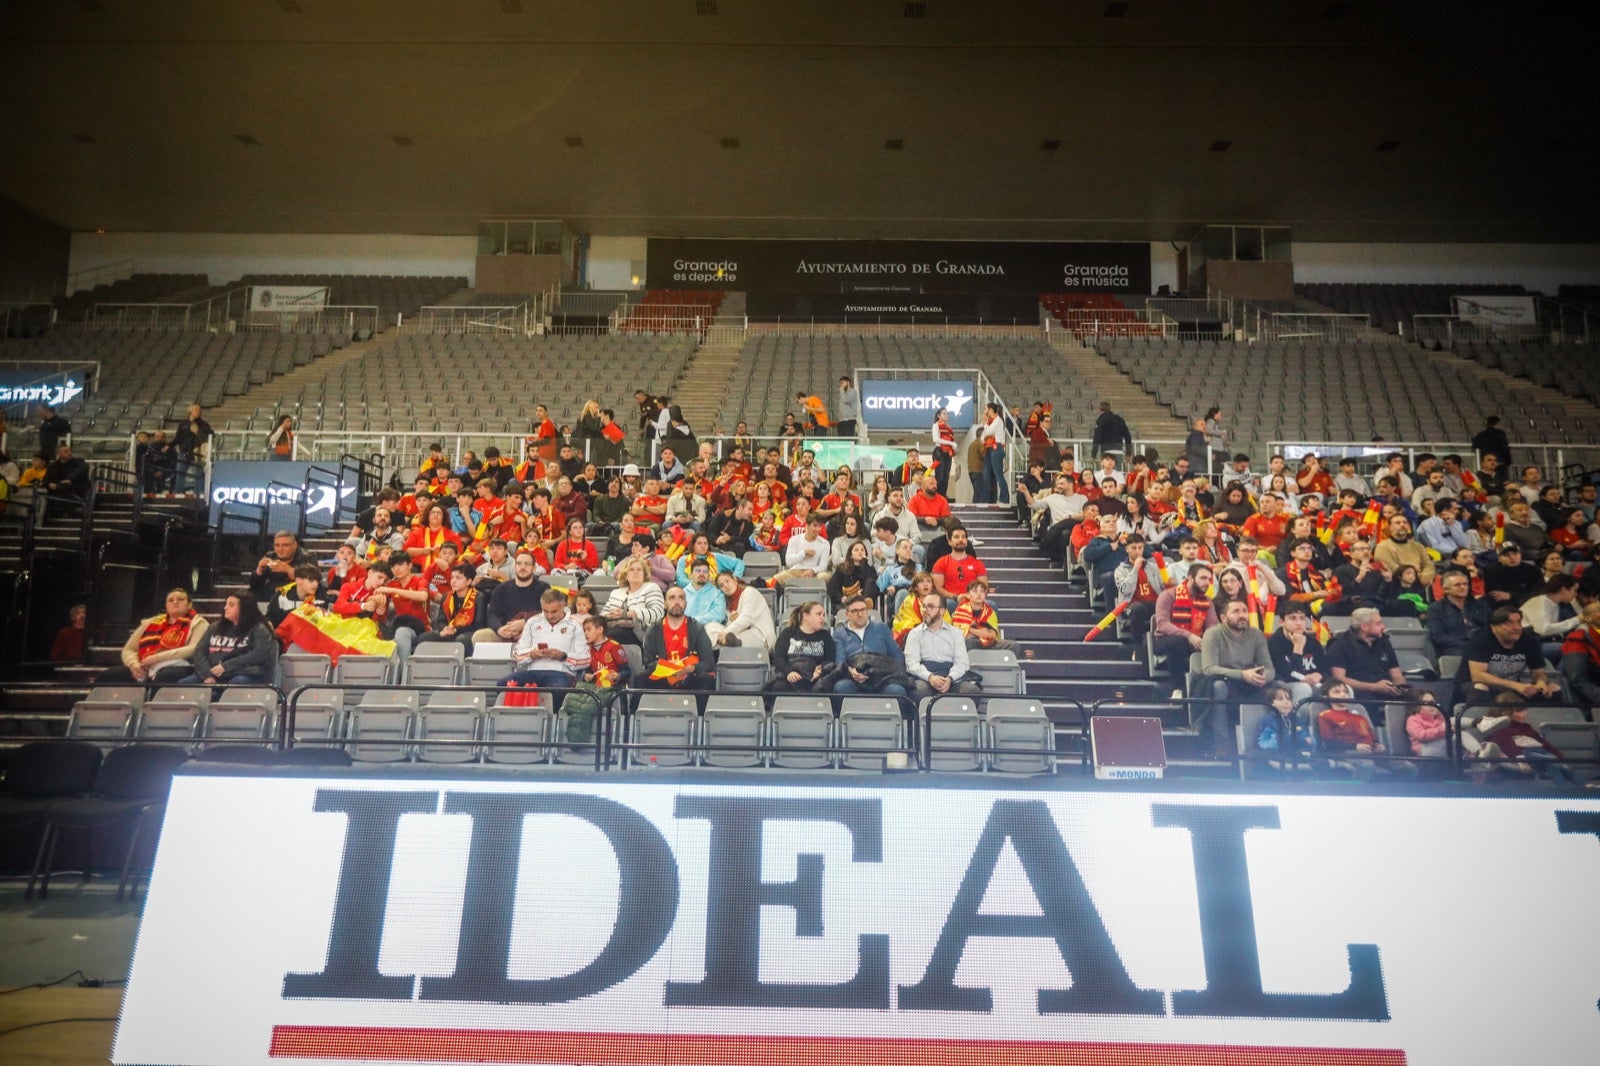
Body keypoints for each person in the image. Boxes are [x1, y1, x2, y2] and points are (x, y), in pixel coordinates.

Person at [1198, 598, 1274, 754]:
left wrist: (1263, 677)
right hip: (1224, 680)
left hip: (1250, 681)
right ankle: (1222, 744)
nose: (1242, 615)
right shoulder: (1212, 634)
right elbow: (1208, 669)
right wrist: (1242, 674)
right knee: (1218, 687)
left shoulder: (1256, 635)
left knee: (1280, 688)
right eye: (1236, 611)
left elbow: (1269, 668)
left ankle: (1274, 741)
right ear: (1223, 617)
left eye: (1244, 611)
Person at [98, 588, 209, 684]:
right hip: (145, 666)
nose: (175, 602)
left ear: (190, 604)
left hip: (179, 665)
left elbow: (194, 648)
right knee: (107, 676)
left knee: (165, 676)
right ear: (166, 605)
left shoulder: (199, 622)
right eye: (171, 600)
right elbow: (129, 649)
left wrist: (157, 658)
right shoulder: (150, 623)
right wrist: (134, 665)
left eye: (180, 599)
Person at [1458, 606, 1564, 705]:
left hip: (1513, 688)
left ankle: (1551, 723)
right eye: (1509, 623)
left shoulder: (1529, 641)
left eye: (1519, 622)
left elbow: (1539, 673)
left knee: (1553, 688)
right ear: (1493, 627)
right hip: (1477, 687)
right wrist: (1516, 685)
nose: (1517, 627)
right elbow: (1478, 676)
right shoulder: (1481, 639)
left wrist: (1541, 683)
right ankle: (1479, 722)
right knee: (1480, 687)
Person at [1472, 692, 1572, 785]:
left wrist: (1558, 756)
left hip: (1536, 763)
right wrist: (1520, 759)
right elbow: (1506, 747)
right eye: (1520, 711)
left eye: (1525, 710)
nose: (1526, 713)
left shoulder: (1526, 728)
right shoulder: (1497, 730)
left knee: (1558, 766)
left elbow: (1542, 743)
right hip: (1509, 773)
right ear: (1505, 713)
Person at [503, 588, 590, 694]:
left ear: (563, 606)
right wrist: (531, 654)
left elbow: (586, 659)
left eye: (553, 611)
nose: (549, 616)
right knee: (502, 685)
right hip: (533, 671)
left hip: (560, 673)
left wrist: (563, 656)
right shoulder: (532, 622)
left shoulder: (575, 625)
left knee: (556, 690)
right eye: (546, 611)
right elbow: (517, 654)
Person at [178, 595, 278, 686]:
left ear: (244, 608)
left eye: (231, 605)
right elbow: (199, 651)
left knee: (236, 683)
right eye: (226, 604)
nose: (226, 608)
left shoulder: (258, 629)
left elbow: (259, 654)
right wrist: (207, 675)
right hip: (211, 674)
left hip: (243, 673)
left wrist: (226, 666)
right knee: (183, 684)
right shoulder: (215, 627)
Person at [1152, 564, 1218, 696]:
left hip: (1196, 640)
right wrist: (1188, 635)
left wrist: (1207, 640)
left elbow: (1213, 626)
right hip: (1166, 639)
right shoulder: (1168, 595)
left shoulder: (1208, 601)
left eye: (1209, 579)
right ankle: (1177, 689)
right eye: (1203, 578)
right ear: (1190, 578)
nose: (1207, 583)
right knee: (1177, 642)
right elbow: (1162, 624)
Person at [904, 592, 982, 700]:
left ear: (942, 611)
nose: (925, 610)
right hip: (924, 677)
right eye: (924, 606)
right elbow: (911, 664)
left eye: (930, 606)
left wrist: (950, 678)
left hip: (950, 676)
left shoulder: (955, 633)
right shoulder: (914, 633)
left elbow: (962, 663)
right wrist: (930, 677)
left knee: (972, 691)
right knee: (918, 691)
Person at [830, 595, 910, 701]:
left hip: (882, 676)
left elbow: (896, 654)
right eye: (855, 611)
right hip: (853, 677)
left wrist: (896, 674)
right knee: (841, 688)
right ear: (847, 614)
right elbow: (840, 661)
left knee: (897, 691)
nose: (860, 614)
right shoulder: (839, 633)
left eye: (863, 610)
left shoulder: (881, 628)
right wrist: (850, 671)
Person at [1326, 607, 1408, 705]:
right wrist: (1374, 687)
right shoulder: (1340, 644)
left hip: (1386, 688)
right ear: (1364, 627)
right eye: (1378, 623)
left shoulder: (1384, 641)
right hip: (1359, 691)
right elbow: (1339, 679)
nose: (1383, 627)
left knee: (1417, 697)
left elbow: (1396, 674)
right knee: (1365, 698)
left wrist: (1399, 685)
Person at [640, 585, 715, 692]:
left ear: (685, 603)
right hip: (664, 677)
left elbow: (708, 662)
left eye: (681, 598)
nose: (677, 602)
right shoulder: (654, 629)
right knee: (640, 678)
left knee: (705, 679)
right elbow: (648, 662)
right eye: (672, 598)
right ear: (664, 604)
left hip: (690, 676)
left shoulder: (697, 628)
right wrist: (668, 668)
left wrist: (692, 668)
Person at [1267, 602, 1328, 707]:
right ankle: (1298, 722)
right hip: (1285, 685)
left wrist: (1319, 674)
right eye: (1293, 618)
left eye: (1302, 618)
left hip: (1313, 683)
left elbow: (1325, 668)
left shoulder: (1313, 642)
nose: (1299, 623)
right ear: (1281, 622)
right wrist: (1298, 647)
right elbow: (1288, 675)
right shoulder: (1272, 643)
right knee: (1304, 688)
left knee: (1343, 689)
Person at [768, 602, 836, 693]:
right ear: (806, 616)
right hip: (792, 674)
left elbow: (830, 658)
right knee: (779, 687)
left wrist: (821, 668)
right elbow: (778, 657)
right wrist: (789, 672)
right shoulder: (789, 632)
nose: (822, 618)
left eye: (824, 615)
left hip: (814, 677)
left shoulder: (825, 635)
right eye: (818, 614)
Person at [600, 556, 666, 645]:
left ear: (644, 574)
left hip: (642, 634)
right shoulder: (616, 593)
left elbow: (657, 613)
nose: (635, 572)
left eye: (639, 570)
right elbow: (602, 615)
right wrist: (611, 614)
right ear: (626, 575)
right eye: (631, 570)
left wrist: (631, 614)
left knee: (614, 635)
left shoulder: (651, 588)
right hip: (615, 630)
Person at [1519, 573, 1582, 663]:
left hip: (1545, 641)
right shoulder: (1537, 602)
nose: (1576, 595)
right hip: (1529, 645)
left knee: (1579, 648)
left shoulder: (1560, 605)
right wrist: (1577, 620)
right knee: (1570, 649)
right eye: (1574, 590)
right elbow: (1543, 630)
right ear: (1563, 589)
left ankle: (1562, 675)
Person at [1427, 569, 1489, 659]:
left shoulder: (1479, 605)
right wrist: (1467, 644)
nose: (1463, 587)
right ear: (1446, 590)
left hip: (1482, 645)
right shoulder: (1436, 608)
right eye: (1457, 585)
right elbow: (1437, 636)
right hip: (1455, 649)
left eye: (1465, 584)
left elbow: (1491, 627)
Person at [1253, 683, 1315, 773]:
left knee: (1318, 761)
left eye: (1288, 699)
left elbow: (1309, 739)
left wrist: (1310, 741)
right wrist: (1295, 740)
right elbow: (1263, 743)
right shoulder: (1267, 720)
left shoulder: (1297, 719)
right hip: (1278, 755)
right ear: (1271, 703)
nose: (1286, 702)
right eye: (1280, 699)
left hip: (1297, 754)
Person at [706, 570, 775, 649]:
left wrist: (726, 632)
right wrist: (731, 621)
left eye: (727, 581)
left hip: (758, 633)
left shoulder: (750, 592)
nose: (725, 586)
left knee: (741, 637)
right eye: (721, 585)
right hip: (736, 634)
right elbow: (731, 627)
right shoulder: (727, 604)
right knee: (710, 627)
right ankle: (726, 643)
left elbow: (746, 619)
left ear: (735, 580)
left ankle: (724, 645)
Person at [416, 565, 480, 648]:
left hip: (467, 631)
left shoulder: (479, 597)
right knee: (424, 638)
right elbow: (440, 620)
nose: (453, 581)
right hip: (449, 630)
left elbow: (479, 624)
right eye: (452, 578)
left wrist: (456, 630)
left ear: (468, 581)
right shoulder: (446, 596)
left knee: (461, 640)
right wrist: (445, 628)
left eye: (458, 578)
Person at [951, 576, 1013, 651]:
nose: (979, 594)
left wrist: (970, 629)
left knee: (1013, 645)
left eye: (982, 591)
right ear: (968, 594)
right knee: (966, 642)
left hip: (989, 643)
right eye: (975, 591)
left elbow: (992, 635)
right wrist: (983, 631)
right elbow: (962, 635)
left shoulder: (990, 612)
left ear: (985, 595)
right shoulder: (959, 612)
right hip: (970, 642)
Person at [1558, 600, 1600, 709]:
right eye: (1598, 610)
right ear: (1588, 619)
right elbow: (1578, 680)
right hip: (1592, 701)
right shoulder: (1577, 640)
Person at [931, 525, 986, 604]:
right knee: (949, 604)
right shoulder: (941, 562)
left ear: (967, 541)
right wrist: (955, 597)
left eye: (963, 537)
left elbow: (984, 586)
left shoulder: (977, 563)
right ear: (949, 541)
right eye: (956, 537)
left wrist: (972, 597)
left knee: (991, 605)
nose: (961, 540)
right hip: (951, 600)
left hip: (972, 600)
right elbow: (937, 588)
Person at [265, 563, 328, 630]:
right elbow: (270, 617)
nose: (316, 584)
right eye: (311, 580)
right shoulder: (282, 595)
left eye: (317, 581)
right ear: (298, 580)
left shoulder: (321, 596)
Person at [171, 403, 212, 495]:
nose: (198, 412)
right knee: (180, 473)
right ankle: (178, 493)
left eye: (199, 410)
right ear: (190, 411)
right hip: (184, 450)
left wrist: (198, 431)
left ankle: (199, 493)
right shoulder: (183, 424)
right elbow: (178, 437)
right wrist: (169, 445)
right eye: (196, 409)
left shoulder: (203, 424)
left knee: (199, 473)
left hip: (196, 451)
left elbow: (210, 435)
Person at [977, 402, 1009, 505]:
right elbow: (982, 438)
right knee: (986, 475)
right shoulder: (990, 422)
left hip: (997, 448)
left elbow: (989, 432)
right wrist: (986, 427)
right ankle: (986, 500)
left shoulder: (998, 421)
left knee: (998, 474)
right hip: (989, 450)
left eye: (986, 409)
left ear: (990, 410)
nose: (985, 411)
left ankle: (1004, 498)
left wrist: (986, 424)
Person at [1404, 692, 1449, 759]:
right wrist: (1443, 730)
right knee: (1454, 741)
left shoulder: (1439, 717)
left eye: (1433, 702)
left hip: (1439, 745)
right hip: (1424, 749)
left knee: (1458, 735)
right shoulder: (1413, 719)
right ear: (1417, 706)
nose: (1432, 705)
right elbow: (1421, 736)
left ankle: (1468, 755)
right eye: (1427, 703)